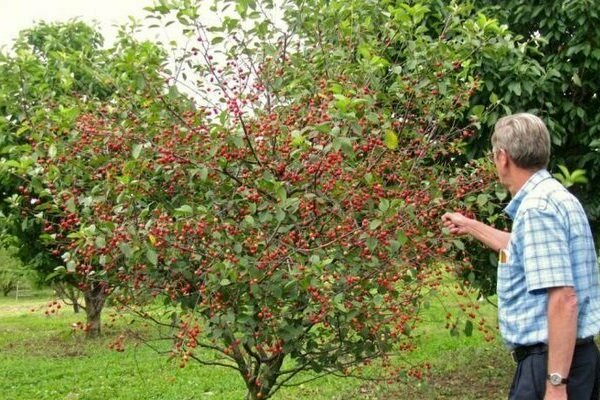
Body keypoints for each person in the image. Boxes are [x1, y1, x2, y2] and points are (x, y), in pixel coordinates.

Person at [442, 113, 600, 400]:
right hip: (577, 360)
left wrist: (555, 384)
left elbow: (564, 298)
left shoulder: (537, 209)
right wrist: (469, 225)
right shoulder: (557, 197)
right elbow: (526, 249)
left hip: (551, 364)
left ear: (502, 157)